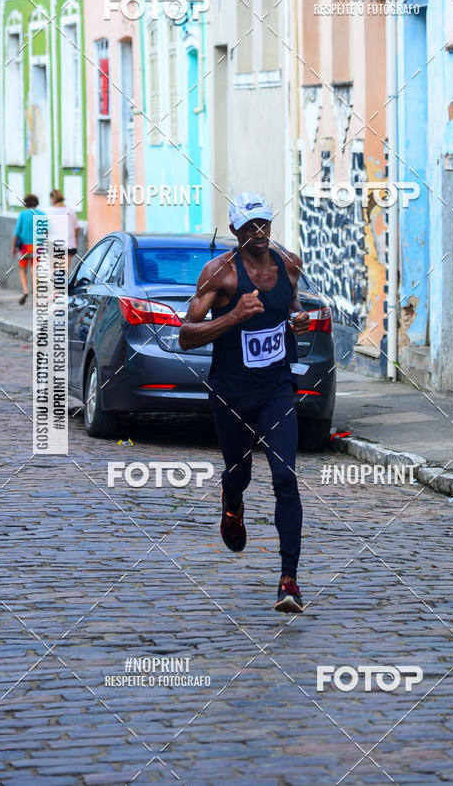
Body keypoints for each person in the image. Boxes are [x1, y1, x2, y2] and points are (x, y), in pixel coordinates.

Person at [179, 192, 311, 613]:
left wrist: (298, 318)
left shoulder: (289, 264)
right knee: (239, 472)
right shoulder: (219, 274)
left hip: (277, 389)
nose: (260, 232)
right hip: (232, 392)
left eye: (265, 223)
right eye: (251, 225)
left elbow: (290, 307)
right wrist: (234, 317)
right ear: (236, 229)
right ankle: (231, 501)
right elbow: (185, 335)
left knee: (285, 478)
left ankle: (288, 580)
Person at [12, 194, 42, 304]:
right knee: (35, 270)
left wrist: (14, 246)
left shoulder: (22, 215)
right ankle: (36, 293)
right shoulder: (41, 214)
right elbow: (46, 231)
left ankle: (25, 290)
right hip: (38, 246)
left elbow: (17, 232)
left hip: (24, 247)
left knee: (22, 269)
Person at [47, 189, 80, 270]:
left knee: (53, 268)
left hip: (53, 243)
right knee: (65, 269)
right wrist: (75, 240)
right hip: (68, 243)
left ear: (52, 198)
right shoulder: (71, 210)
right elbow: (77, 227)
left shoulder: (49, 211)